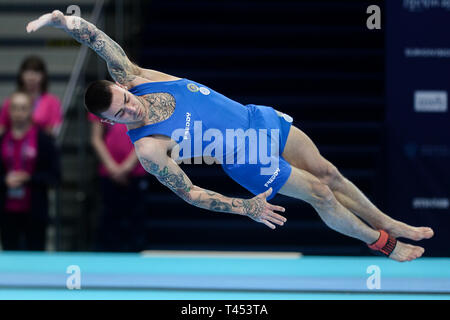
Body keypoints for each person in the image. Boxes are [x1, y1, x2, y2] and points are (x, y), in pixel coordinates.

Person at [26, 10, 434, 262]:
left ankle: (387, 220)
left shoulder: (138, 79)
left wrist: (65, 21)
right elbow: (190, 192)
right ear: (110, 123)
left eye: (124, 99)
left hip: (256, 116)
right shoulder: (149, 148)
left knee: (330, 173)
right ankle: (380, 242)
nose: (131, 106)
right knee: (321, 195)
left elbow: (98, 41)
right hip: (245, 156)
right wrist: (245, 208)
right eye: (121, 112)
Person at [0, 91, 60, 250]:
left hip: (35, 210)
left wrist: (29, 178)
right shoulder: (2, 139)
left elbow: (55, 176)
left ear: (31, 110)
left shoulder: (44, 141)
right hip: (7, 211)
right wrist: (4, 180)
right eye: (14, 108)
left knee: (35, 254)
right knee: (10, 254)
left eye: (23, 108)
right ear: (8, 111)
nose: (18, 113)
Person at [89, 112, 150, 252]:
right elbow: (96, 139)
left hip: (136, 171)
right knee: (109, 219)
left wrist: (126, 167)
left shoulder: (140, 101)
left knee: (135, 219)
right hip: (109, 172)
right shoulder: (102, 100)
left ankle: (135, 260)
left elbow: (146, 137)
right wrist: (112, 167)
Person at [0, 56, 63, 137]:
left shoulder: (53, 102)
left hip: (42, 146)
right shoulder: (11, 101)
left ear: (43, 76)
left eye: (36, 72)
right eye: (27, 72)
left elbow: (55, 129)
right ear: (21, 75)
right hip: (14, 146)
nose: (31, 77)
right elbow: (2, 127)